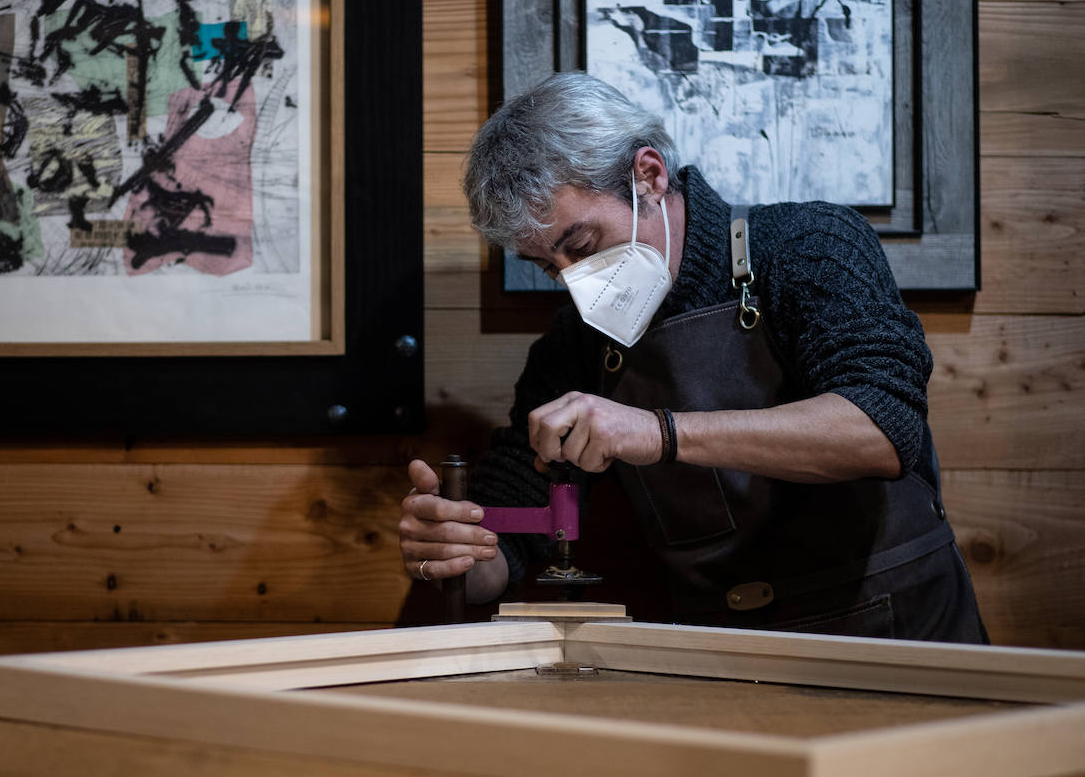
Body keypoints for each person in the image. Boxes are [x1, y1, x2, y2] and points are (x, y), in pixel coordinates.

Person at [399, 72, 986, 642]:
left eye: (580, 245)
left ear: (649, 176)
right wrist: (462, 555)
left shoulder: (809, 244)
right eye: (551, 267)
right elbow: (516, 519)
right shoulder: (575, 342)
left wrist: (657, 433)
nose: (575, 282)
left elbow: (883, 428)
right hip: (717, 646)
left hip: (895, 628)